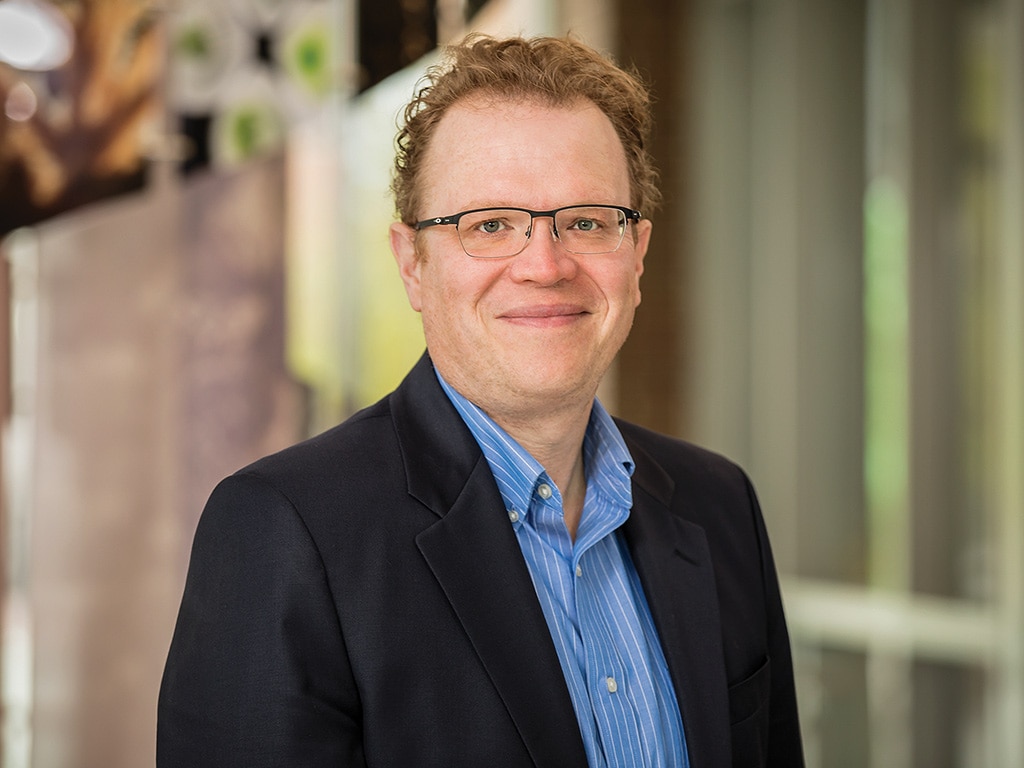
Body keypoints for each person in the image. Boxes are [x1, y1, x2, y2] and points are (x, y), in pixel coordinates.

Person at [157, 34, 804, 768]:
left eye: (587, 221)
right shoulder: (284, 534)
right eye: (490, 225)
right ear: (413, 265)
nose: (544, 265)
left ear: (638, 254)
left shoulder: (719, 508)